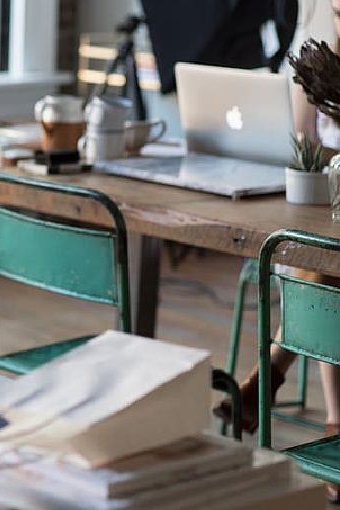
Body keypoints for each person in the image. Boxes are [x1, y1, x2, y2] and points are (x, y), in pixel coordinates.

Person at [213, 0, 340, 503]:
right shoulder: (317, 61)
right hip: (322, 217)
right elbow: (302, 147)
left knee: (324, 269)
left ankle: (269, 382)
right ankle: (328, 419)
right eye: (334, 8)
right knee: (319, 261)